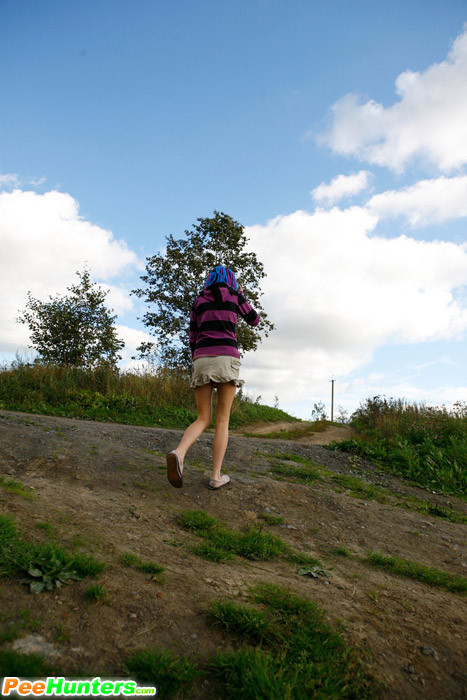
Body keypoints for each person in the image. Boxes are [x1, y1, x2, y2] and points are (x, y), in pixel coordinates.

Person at [166, 265, 259, 490]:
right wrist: (240, 299)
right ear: (231, 280)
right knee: (222, 419)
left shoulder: (199, 301)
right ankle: (216, 476)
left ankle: (179, 453)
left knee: (202, 417)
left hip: (201, 358)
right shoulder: (235, 296)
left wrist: (198, 359)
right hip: (226, 357)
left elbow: (192, 336)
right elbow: (254, 320)